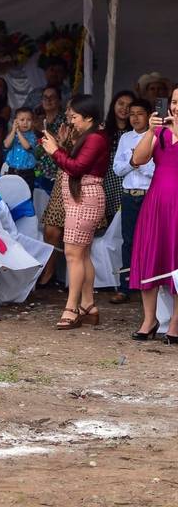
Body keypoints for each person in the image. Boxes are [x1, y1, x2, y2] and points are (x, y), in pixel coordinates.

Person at [41, 95, 109, 330]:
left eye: (75, 117)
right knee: (82, 254)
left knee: (72, 254)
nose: (71, 122)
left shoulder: (96, 139)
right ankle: (88, 306)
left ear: (89, 117)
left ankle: (71, 308)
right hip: (79, 197)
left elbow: (76, 168)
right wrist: (58, 147)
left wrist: (54, 151)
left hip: (86, 197)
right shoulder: (89, 137)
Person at [128, 86, 178, 342]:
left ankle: (176, 324)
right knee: (150, 255)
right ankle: (149, 319)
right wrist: (150, 131)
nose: (176, 106)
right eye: (174, 101)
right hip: (157, 203)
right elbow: (137, 160)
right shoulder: (159, 132)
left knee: (176, 259)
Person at [112, 99, 154, 305]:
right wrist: (133, 162)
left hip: (149, 194)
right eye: (132, 114)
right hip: (129, 194)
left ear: (149, 115)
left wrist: (140, 164)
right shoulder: (126, 138)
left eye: (140, 113)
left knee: (149, 240)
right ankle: (125, 285)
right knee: (128, 240)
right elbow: (117, 168)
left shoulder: (156, 137)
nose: (135, 118)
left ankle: (149, 284)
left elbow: (158, 171)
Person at [37, 94, 72, 288]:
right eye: (68, 111)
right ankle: (49, 270)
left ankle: (63, 277)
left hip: (77, 184)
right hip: (61, 181)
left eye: (71, 111)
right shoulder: (64, 128)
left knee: (71, 234)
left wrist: (58, 146)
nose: (68, 114)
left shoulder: (90, 134)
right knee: (50, 229)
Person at [102, 90, 136, 223]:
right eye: (121, 103)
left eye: (129, 106)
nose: (124, 108)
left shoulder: (136, 132)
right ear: (113, 105)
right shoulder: (102, 129)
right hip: (107, 184)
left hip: (128, 185)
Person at [3, 107, 38, 190]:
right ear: (16, 121)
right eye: (22, 120)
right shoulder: (12, 135)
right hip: (12, 171)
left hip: (27, 173)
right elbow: (6, 145)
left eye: (29, 120)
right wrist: (13, 131)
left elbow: (27, 146)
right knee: (12, 193)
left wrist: (18, 132)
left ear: (32, 122)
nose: (25, 123)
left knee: (26, 194)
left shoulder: (32, 136)